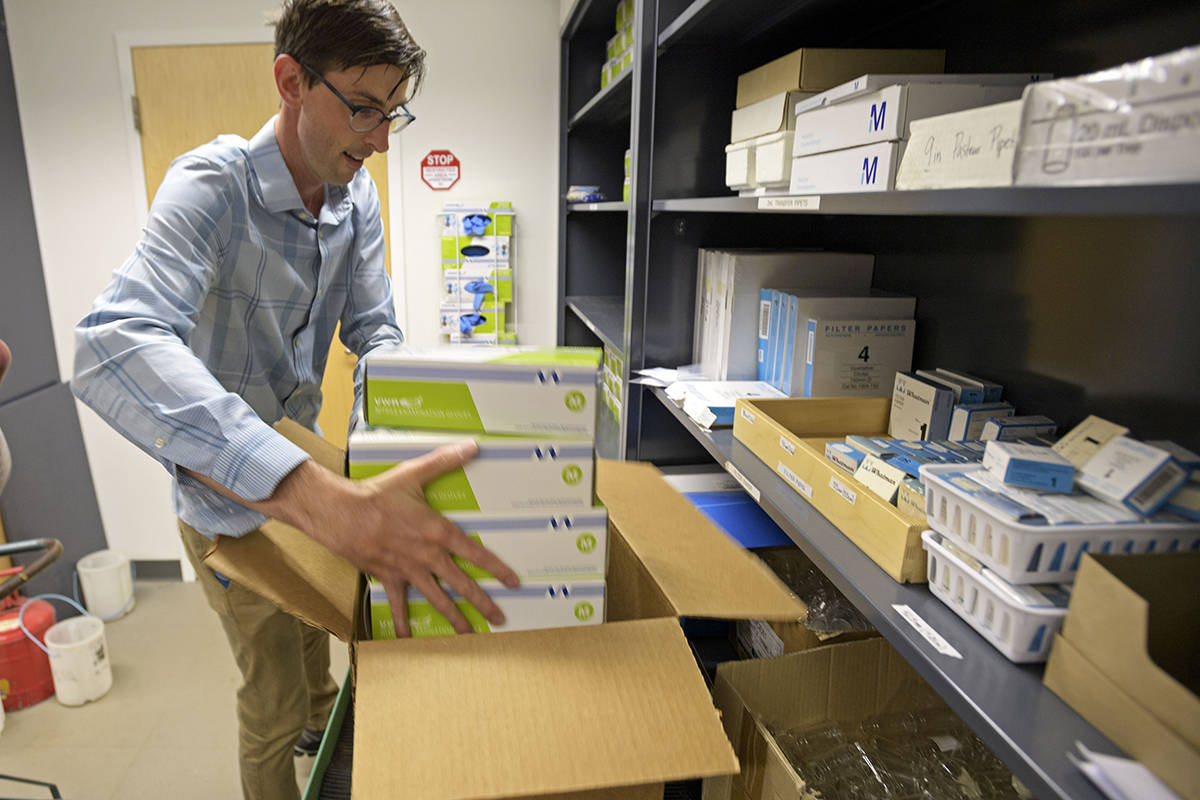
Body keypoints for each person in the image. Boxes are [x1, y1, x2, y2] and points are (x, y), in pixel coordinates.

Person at [71, 2, 518, 798]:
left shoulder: (357, 200)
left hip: (312, 477)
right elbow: (112, 345)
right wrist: (315, 496)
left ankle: (323, 736)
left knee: (321, 655)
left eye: (394, 112)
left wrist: (425, 414)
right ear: (291, 82)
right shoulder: (211, 189)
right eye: (363, 108)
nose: (382, 139)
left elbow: (375, 331)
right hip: (226, 505)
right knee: (271, 704)